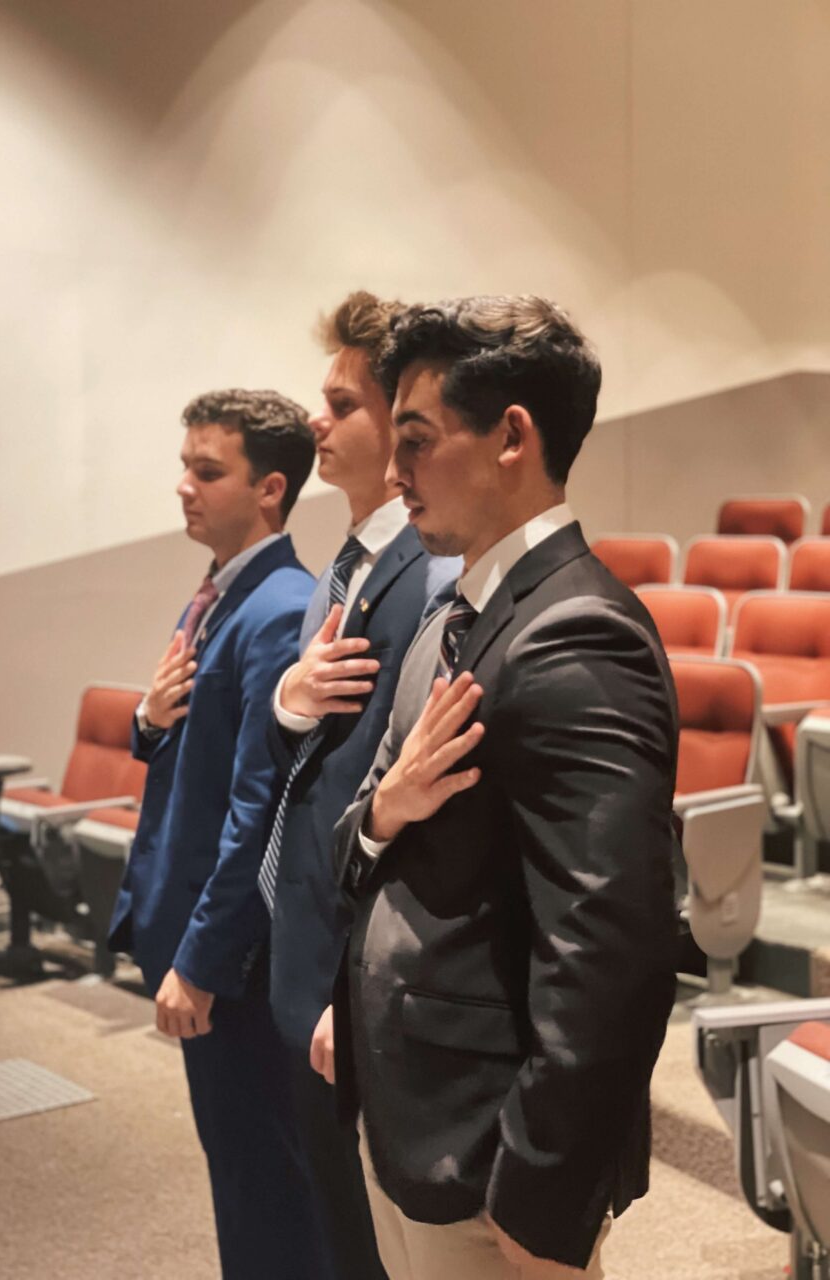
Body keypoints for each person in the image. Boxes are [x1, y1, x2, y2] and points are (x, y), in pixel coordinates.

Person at [327, 296, 680, 1279]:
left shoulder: (575, 632)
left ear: (512, 434)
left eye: (418, 439)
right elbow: (376, 827)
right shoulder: (472, 611)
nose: (393, 475)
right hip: (418, 1119)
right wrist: (382, 812)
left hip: (487, 1164)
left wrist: (542, 1190)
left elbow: (612, 947)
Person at [258, 291, 458, 1280]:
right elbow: (307, 753)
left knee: (371, 1236)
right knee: (330, 1212)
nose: (314, 420)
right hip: (303, 940)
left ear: (397, 424)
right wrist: (288, 704)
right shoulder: (347, 560)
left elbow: (401, 805)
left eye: (340, 402)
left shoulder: (424, 574)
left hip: (351, 959)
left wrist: (350, 981)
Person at [108, 388, 325, 1279]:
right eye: (185, 467)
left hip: (234, 956)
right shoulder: (217, 593)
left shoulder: (279, 605)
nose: (184, 488)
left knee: (264, 1181)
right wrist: (147, 724)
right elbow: (184, 742)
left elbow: (259, 809)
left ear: (269, 489)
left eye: (208, 471)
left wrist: (200, 959)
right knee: (239, 1170)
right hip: (194, 923)